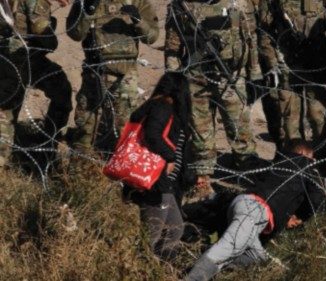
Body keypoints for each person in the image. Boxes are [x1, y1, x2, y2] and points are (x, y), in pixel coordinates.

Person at [185, 139, 326, 281]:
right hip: (254, 212)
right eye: (311, 158)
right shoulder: (305, 166)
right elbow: (316, 198)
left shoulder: (277, 165)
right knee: (226, 249)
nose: (313, 161)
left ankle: (202, 261)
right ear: (303, 153)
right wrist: (299, 216)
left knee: (256, 257)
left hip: (247, 207)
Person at [164, 0, 263, 192]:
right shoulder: (181, 6)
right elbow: (172, 47)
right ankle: (203, 179)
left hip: (231, 76)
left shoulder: (239, 3)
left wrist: (255, 72)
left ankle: (247, 171)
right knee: (201, 130)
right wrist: (173, 80)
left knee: (239, 127)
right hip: (196, 77)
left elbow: (250, 38)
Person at [66, 0, 159, 154]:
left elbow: (152, 37)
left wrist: (138, 21)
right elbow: (75, 34)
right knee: (85, 126)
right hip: (94, 71)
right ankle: (80, 170)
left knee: (122, 128)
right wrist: (87, 13)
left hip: (125, 74)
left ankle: (116, 170)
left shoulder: (138, 2)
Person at [257, 0, 326, 150]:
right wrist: (273, 61)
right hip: (288, 61)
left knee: (318, 115)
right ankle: (296, 160)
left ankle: (321, 159)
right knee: (291, 117)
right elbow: (265, 31)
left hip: (318, 61)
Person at [122, 73, 192, 261]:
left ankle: (159, 270)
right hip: (153, 180)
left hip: (160, 182)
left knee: (175, 229)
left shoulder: (158, 106)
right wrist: (170, 157)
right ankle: (136, 269)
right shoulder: (163, 107)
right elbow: (152, 134)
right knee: (151, 236)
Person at [0, 0, 72, 168]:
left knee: (61, 89)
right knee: (7, 111)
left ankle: (45, 142)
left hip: (20, 56)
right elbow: (41, 30)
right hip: (20, 57)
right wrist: (52, 40)